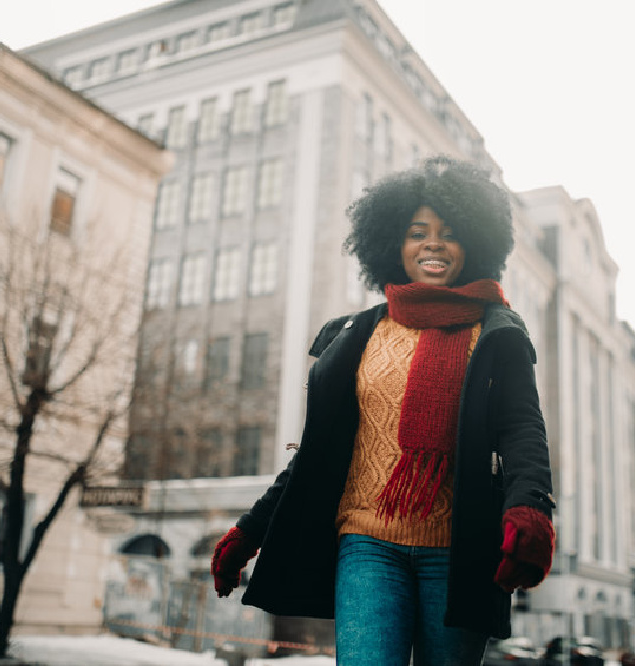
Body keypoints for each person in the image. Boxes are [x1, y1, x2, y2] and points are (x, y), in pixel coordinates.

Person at [210, 156, 555, 666]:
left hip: (457, 551)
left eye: (450, 233)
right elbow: (318, 452)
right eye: (418, 232)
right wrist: (249, 530)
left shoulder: (498, 333)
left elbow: (523, 431)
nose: (433, 243)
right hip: (367, 544)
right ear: (394, 242)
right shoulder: (356, 335)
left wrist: (530, 511)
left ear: (475, 245)